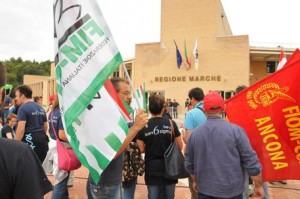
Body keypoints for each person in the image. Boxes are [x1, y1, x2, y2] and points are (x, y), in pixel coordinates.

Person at [185, 91, 264, 199]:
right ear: (224, 108)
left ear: (204, 109)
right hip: (233, 191)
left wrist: (194, 180)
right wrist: (258, 185)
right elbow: (251, 160)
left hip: (206, 190)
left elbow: (189, 163)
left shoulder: (194, 135)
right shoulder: (237, 131)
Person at [87, 78, 148, 199]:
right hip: (105, 184)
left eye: (130, 93)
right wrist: (135, 128)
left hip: (111, 181)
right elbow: (111, 153)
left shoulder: (115, 116)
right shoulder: (105, 119)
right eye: (125, 93)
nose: (130, 97)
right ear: (113, 93)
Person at [136, 94, 183, 199]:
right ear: (163, 108)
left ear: (150, 109)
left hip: (152, 168)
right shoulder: (171, 124)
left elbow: (142, 149)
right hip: (170, 167)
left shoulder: (144, 126)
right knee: (169, 196)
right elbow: (180, 146)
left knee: (153, 196)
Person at [235, 85, 270, 199]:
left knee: (243, 182)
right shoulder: (257, 109)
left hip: (241, 151)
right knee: (260, 179)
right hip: (257, 150)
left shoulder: (235, 111)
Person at [43, 97, 71, 199]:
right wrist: (76, 141)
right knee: (61, 181)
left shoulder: (53, 112)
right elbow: (62, 135)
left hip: (54, 146)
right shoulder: (62, 113)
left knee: (61, 178)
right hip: (62, 148)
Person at [14, 85, 49, 162]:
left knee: (27, 166)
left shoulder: (23, 108)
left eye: (16, 96)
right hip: (42, 140)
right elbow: (45, 126)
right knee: (40, 166)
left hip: (30, 140)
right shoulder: (40, 107)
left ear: (22, 96)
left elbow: (20, 129)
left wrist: (15, 144)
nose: (15, 98)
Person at [183, 87, 207, 199]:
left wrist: (184, 137)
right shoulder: (213, 111)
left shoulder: (191, 114)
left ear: (192, 99)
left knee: (196, 192)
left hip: (197, 158)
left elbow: (188, 139)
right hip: (213, 158)